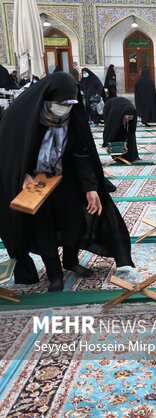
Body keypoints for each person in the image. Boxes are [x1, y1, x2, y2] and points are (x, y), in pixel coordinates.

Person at [0, 72, 133, 292]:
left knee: (75, 221)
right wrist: (23, 175)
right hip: (33, 184)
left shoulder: (71, 118)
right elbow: (10, 154)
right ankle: (54, 275)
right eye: (61, 104)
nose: (65, 108)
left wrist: (90, 188)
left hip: (65, 178)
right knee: (44, 228)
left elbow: (82, 153)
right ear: (48, 99)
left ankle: (70, 260)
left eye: (70, 104)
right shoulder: (22, 115)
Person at [103, 97, 139, 163]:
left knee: (126, 132)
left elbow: (131, 132)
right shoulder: (115, 114)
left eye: (130, 118)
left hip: (121, 106)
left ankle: (127, 154)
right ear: (123, 115)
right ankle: (117, 153)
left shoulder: (132, 111)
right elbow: (109, 129)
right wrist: (106, 143)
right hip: (110, 107)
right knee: (115, 130)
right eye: (127, 117)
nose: (128, 119)